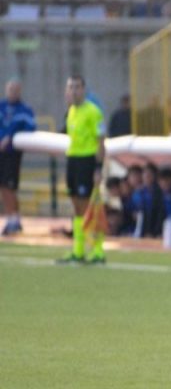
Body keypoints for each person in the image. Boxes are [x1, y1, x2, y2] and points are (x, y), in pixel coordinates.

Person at [59, 75, 106, 263]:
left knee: (88, 207)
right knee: (76, 206)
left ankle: (98, 250)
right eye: (70, 87)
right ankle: (78, 251)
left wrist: (98, 168)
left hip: (87, 161)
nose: (73, 91)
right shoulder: (71, 111)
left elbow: (101, 142)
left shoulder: (93, 112)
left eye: (77, 87)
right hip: (73, 160)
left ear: (83, 89)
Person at [1, 79, 36, 236]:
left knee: (9, 187)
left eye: (15, 90)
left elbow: (30, 127)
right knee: (4, 187)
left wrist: (11, 136)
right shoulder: (1, 107)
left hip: (13, 154)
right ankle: (13, 218)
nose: (12, 93)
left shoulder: (24, 110)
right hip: (1, 154)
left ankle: (13, 219)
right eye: (10, 89)